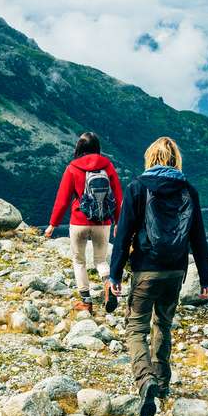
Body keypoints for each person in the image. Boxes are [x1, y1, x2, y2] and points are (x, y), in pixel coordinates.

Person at [108, 136, 208, 416]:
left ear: (150, 158)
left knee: (136, 328)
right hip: (176, 271)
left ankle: (145, 380)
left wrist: (114, 274)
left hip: (146, 269)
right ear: (176, 159)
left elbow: (123, 235)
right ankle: (163, 382)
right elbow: (198, 237)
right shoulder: (188, 189)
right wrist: (205, 278)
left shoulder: (137, 187)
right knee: (163, 324)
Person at [45, 132, 123, 312]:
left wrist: (53, 224)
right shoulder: (108, 166)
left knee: (79, 261)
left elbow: (63, 200)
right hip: (103, 221)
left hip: (79, 221)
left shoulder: (72, 167)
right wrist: (118, 222)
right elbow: (118, 196)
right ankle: (108, 285)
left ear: (79, 147)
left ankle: (86, 302)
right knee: (100, 260)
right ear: (97, 147)